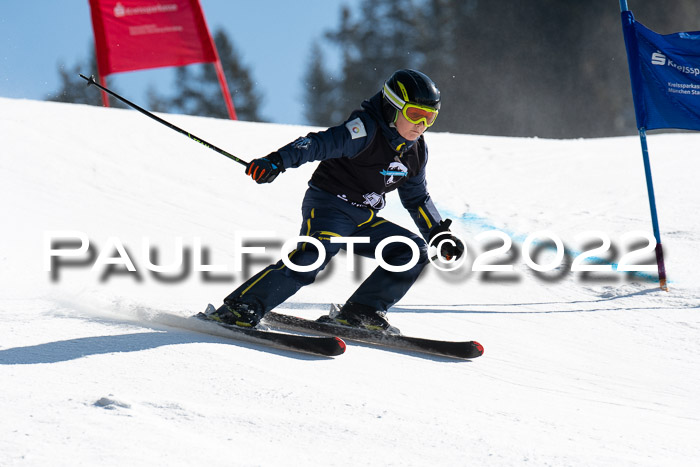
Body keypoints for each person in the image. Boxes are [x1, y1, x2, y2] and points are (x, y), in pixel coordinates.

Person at [208, 69, 464, 331]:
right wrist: (276, 161)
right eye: (414, 114)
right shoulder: (364, 130)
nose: (421, 125)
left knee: (411, 250)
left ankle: (361, 311)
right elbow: (316, 144)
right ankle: (240, 307)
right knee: (313, 255)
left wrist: (437, 234)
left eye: (430, 118)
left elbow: (417, 198)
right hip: (330, 207)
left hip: (363, 219)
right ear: (393, 107)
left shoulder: (416, 151)